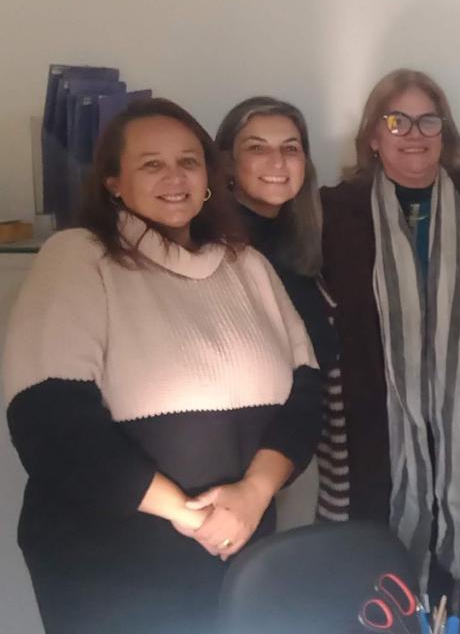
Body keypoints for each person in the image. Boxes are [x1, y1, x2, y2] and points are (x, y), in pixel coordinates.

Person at [4, 98, 322, 634]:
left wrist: (253, 494)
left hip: (240, 547)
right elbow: (50, 423)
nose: (175, 178)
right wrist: (186, 514)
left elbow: (306, 397)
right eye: (152, 164)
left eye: (188, 162)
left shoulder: (246, 265)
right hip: (110, 564)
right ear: (113, 182)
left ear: (209, 177)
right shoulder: (77, 257)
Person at [320, 68, 460, 592]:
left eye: (428, 121)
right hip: (377, 432)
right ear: (374, 136)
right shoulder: (336, 213)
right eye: (397, 121)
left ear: (445, 133)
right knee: (381, 584)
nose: (414, 134)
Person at [215, 98, 342, 521]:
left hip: (290, 449)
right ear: (227, 163)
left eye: (291, 148)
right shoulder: (216, 245)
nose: (278, 162)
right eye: (257, 147)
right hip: (237, 457)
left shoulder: (302, 235)